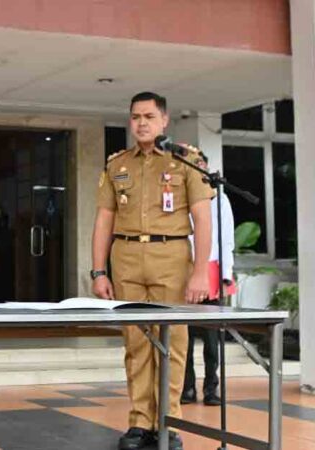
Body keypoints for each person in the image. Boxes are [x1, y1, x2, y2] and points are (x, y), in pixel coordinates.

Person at [91, 92, 214, 450]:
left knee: (172, 344)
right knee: (136, 344)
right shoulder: (117, 165)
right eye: (134, 117)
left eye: (148, 116)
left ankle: (168, 423)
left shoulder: (187, 161)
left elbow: (202, 219)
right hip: (127, 256)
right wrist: (99, 271)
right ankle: (140, 423)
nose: (141, 123)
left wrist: (200, 272)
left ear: (164, 120)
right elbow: (103, 220)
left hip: (171, 256)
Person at [182, 152, 236, 406]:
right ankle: (187, 388)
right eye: (194, 166)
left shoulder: (219, 199)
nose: (199, 169)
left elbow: (226, 239)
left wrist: (226, 274)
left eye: (201, 165)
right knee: (185, 336)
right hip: (183, 268)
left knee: (212, 338)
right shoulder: (180, 195)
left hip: (211, 270)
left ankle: (211, 388)